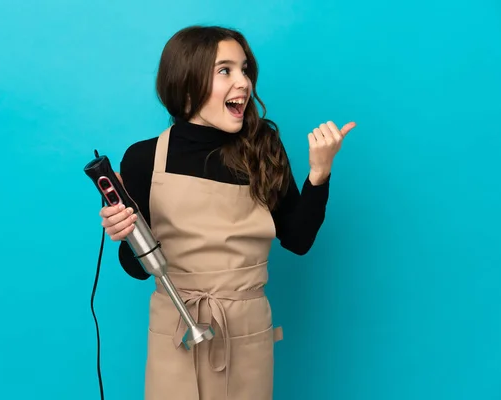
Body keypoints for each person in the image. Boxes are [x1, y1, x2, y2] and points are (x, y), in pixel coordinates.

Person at [99, 25, 356, 400]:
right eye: (226, 70)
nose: (244, 82)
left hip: (246, 334)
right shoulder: (143, 159)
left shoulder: (262, 149)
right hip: (176, 331)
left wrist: (319, 175)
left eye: (245, 69)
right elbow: (137, 268)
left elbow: (298, 241)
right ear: (187, 83)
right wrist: (126, 230)